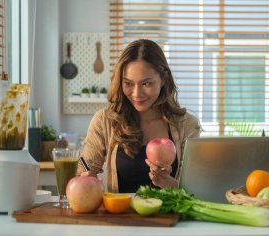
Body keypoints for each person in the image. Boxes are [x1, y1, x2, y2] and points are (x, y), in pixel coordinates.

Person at [78, 39, 201, 193]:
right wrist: (85, 177)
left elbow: (196, 190)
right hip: (121, 216)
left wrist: (169, 183)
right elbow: (83, 170)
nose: (136, 94)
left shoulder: (187, 125)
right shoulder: (105, 120)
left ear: (163, 80)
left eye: (146, 84)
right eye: (128, 83)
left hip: (170, 217)